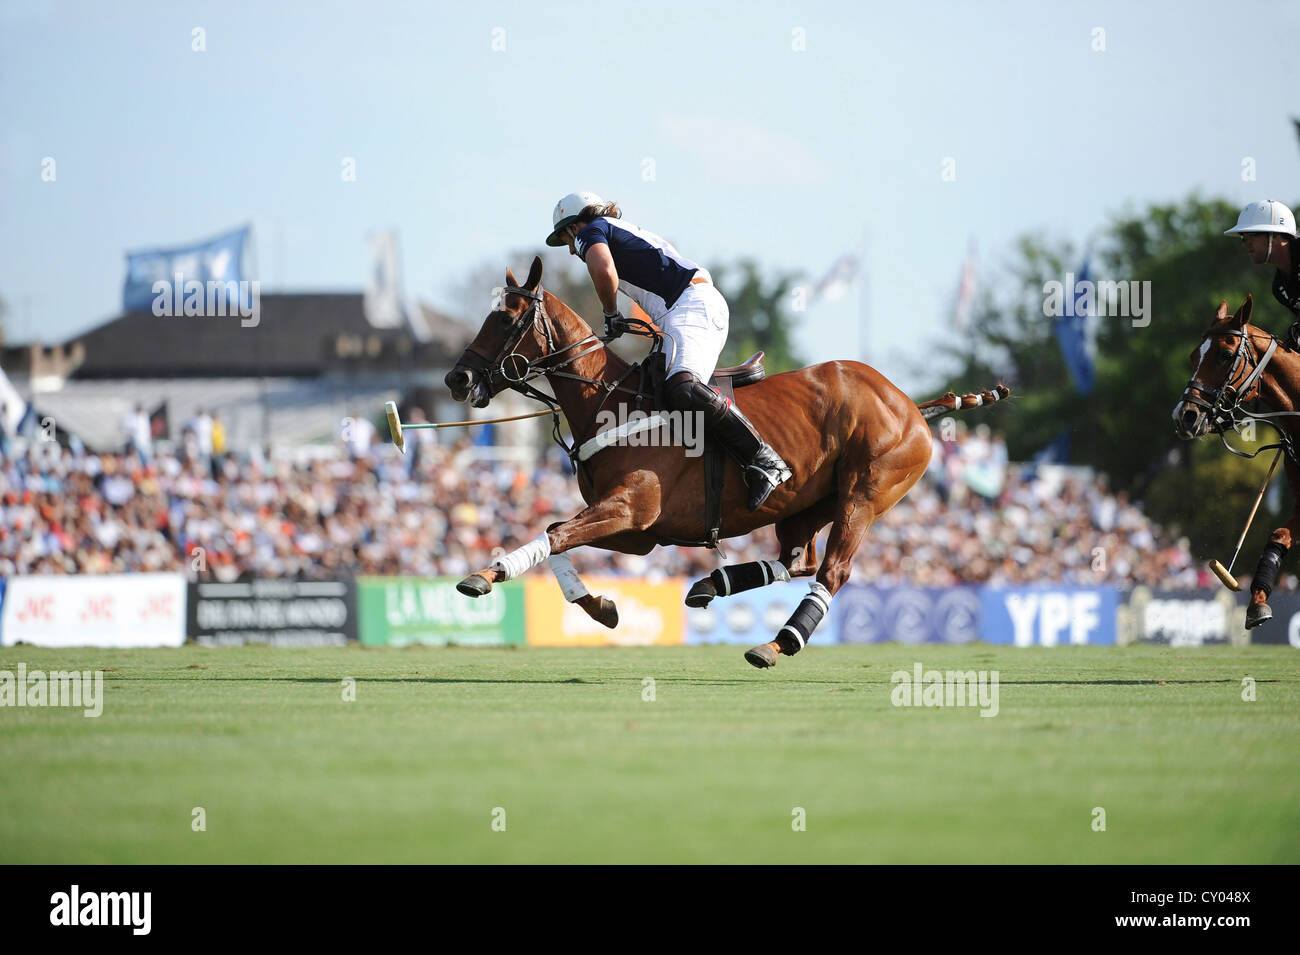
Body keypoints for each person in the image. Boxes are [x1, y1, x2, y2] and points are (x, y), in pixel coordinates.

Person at [546, 191, 790, 509]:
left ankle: (764, 458)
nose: (569, 249)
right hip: (683, 309)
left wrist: (610, 314)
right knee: (648, 392)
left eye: (565, 239)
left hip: (692, 306)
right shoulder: (613, 230)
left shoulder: (591, 230)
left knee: (683, 388)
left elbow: (604, 270)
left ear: (573, 226)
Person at [1225, 199, 1300, 345]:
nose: (1245, 244)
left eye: (1251, 236)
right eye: (1243, 238)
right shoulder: (1279, 288)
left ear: (1276, 235)